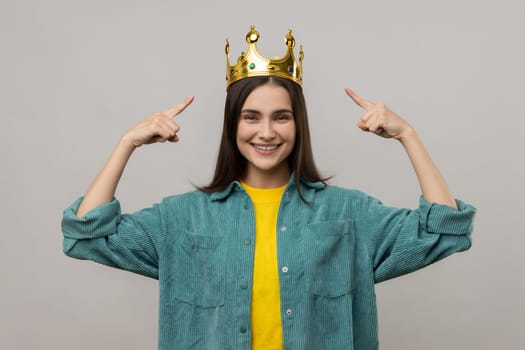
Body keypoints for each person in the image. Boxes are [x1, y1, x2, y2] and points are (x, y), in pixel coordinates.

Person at [62, 26, 476, 350]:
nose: (266, 132)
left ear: (298, 125)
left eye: (281, 117)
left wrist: (408, 135)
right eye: (251, 117)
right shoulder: (182, 218)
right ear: (232, 126)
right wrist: (126, 143)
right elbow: (86, 235)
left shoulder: (348, 216)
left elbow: (444, 232)